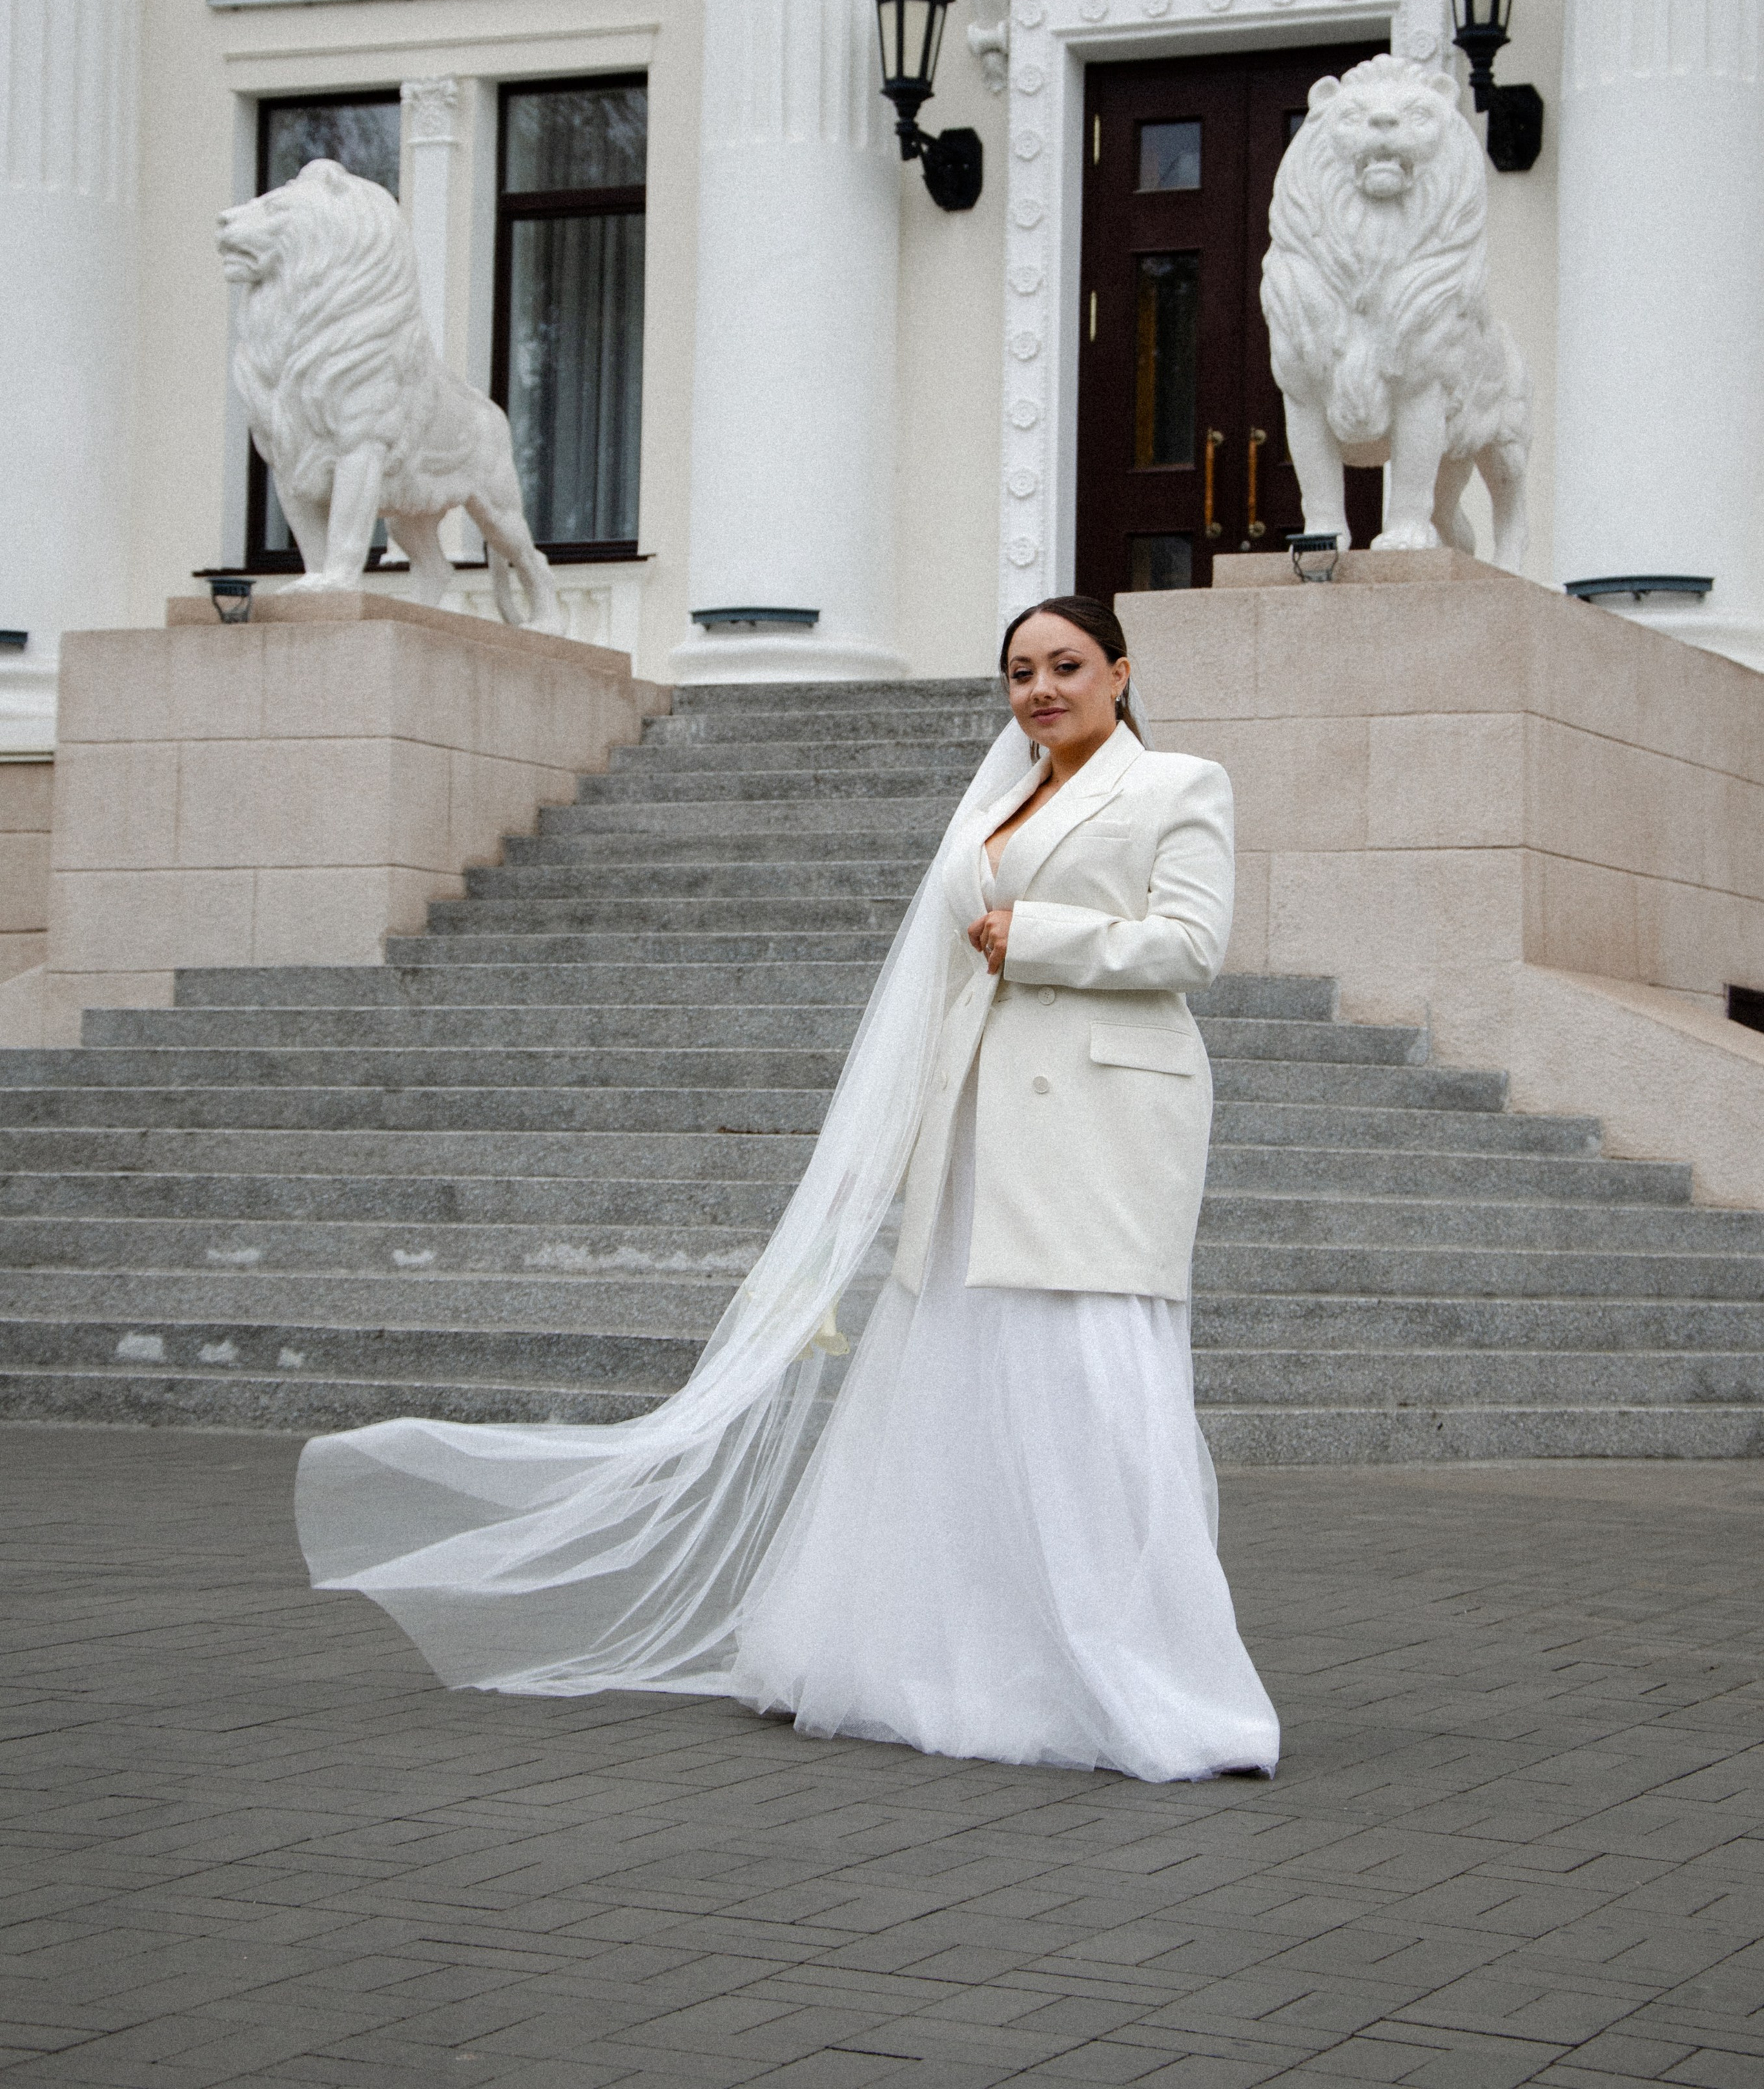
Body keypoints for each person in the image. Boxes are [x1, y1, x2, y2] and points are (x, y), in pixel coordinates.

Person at [295, 597, 1278, 1784]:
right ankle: (972, 1657)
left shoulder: (1180, 784)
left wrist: (1044, 934)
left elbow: (1193, 943)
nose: (1040, 689)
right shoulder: (995, 801)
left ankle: (1145, 1666)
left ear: (1119, 671)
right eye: (1019, 671)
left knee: (1093, 1383)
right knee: (969, 1375)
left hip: (1106, 1132)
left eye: (1065, 665)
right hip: (983, 1130)